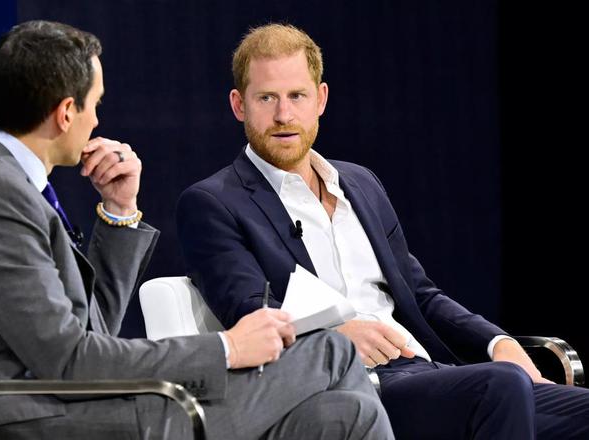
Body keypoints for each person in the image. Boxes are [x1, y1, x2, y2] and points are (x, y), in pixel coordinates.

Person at [0, 20, 393, 440]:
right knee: (331, 353)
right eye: (96, 105)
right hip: (25, 418)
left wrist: (120, 210)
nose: (97, 120)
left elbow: (91, 332)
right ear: (66, 112)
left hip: (60, 403)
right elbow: (69, 362)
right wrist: (226, 348)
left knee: (343, 413)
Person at [176, 23, 589, 439]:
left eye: (296, 95)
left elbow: (420, 295)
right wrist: (335, 338)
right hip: (348, 389)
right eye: (267, 98)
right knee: (499, 386)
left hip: (425, 371)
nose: (284, 115)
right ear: (238, 105)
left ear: (320, 99)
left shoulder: (360, 184)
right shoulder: (214, 203)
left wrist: (496, 343)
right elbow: (249, 312)